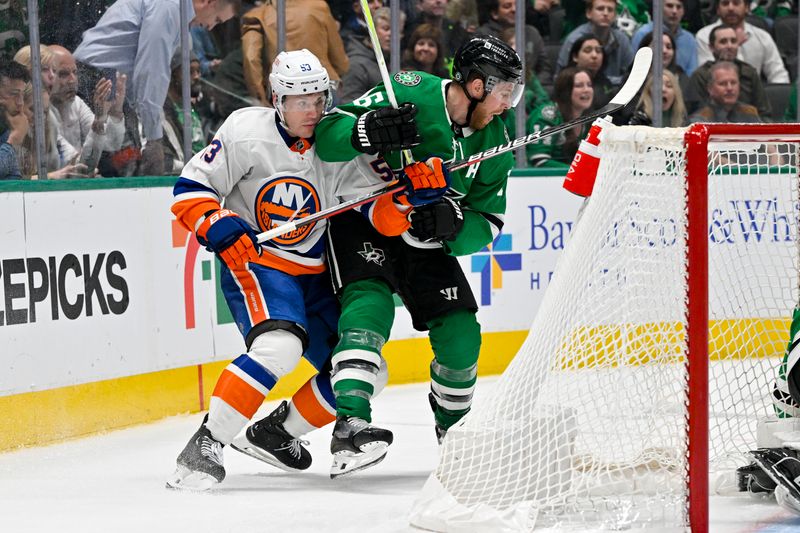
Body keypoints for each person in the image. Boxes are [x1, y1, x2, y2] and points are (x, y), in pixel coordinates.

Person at [237, 34, 523, 477]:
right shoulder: (406, 89)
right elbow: (327, 138)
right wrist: (365, 130)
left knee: (462, 333)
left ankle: (455, 434)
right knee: (366, 312)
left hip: (424, 240)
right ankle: (350, 424)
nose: (510, 101)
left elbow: (487, 220)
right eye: (504, 90)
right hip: (364, 218)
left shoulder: (497, 139)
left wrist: (452, 228)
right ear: (476, 84)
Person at [166, 49, 446, 490]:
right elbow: (190, 189)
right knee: (279, 347)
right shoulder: (245, 130)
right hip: (256, 263)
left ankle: (275, 432)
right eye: (299, 101)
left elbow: (379, 215)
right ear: (277, 100)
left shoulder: (339, 143)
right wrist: (214, 221)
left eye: (318, 99)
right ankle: (207, 442)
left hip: (314, 271)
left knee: (364, 369)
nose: (312, 111)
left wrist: (408, 197)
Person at [73, 0, 239, 177]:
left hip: (107, 81)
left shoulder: (175, 12)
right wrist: (154, 138)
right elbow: (152, 70)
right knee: (108, 166)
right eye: (218, 20)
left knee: (125, 160)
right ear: (209, 2)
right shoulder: (170, 7)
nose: (211, 27)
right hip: (96, 81)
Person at [241, 0, 349, 106]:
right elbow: (341, 62)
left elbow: (251, 58)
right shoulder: (319, 6)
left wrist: (261, 98)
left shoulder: (258, 16)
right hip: (323, 86)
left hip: (286, 91)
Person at [48, 45, 127, 175]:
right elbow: (82, 168)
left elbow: (111, 145)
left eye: (75, 72)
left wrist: (115, 112)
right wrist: (98, 122)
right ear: (46, 76)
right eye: (63, 74)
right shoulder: (40, 113)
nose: (72, 80)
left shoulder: (76, 103)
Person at [686, 24, 771, 118]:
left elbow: (764, 113)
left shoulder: (749, 72)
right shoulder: (701, 75)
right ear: (711, 47)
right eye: (723, 42)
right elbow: (693, 114)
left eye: (733, 41)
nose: (729, 46)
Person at [695, 0, 789, 83]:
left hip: (754, 96)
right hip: (717, 97)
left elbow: (778, 74)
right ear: (718, 10)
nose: (730, 8)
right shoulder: (704, 36)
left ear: (747, 8)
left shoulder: (762, 36)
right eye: (725, 3)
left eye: (736, 3)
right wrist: (735, 45)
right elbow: (706, 76)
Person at [527, 67, 594, 167]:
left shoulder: (588, 120)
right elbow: (539, 160)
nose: (586, 90)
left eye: (589, 85)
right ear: (565, 90)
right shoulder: (548, 116)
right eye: (579, 85)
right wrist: (577, 173)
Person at [556, 0, 635, 85]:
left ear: (615, 15)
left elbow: (633, 75)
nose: (605, 13)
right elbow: (561, 78)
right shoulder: (574, 39)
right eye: (600, 9)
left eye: (610, 10)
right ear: (589, 13)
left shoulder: (622, 39)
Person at [475, 0, 552, 85]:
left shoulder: (532, 33)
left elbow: (545, 69)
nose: (514, 9)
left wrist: (531, 86)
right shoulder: (483, 35)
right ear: (495, 14)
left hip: (531, 89)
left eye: (517, 6)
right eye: (507, 6)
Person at [340, 7, 406, 103]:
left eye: (397, 31)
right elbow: (349, 105)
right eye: (386, 29)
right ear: (372, 30)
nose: (391, 34)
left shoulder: (396, 62)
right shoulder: (356, 64)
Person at [162, 53, 205, 174]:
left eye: (198, 71)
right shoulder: (164, 114)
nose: (197, 76)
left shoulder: (194, 107)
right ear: (172, 75)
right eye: (190, 72)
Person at [631, 0, 698, 76]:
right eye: (669, 6)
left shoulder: (689, 39)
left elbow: (691, 73)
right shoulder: (643, 33)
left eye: (679, 7)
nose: (674, 11)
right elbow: (634, 69)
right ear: (658, 8)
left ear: (683, 11)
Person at [688, 61, 763, 123]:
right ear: (710, 89)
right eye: (723, 83)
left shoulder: (750, 113)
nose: (729, 88)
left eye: (733, 83)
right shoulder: (700, 120)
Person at [566, 35, 616, 111]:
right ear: (575, 57)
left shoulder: (605, 81)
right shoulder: (566, 82)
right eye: (587, 50)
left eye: (598, 51)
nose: (594, 55)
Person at [638, 31, 690, 97]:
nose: (664, 51)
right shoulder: (632, 78)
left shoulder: (682, 78)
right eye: (658, 46)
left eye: (669, 47)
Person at [0, 59, 28, 180]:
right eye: (13, 94)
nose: (20, 103)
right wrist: (14, 139)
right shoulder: (14, 135)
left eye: (22, 94)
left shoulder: (8, 129)